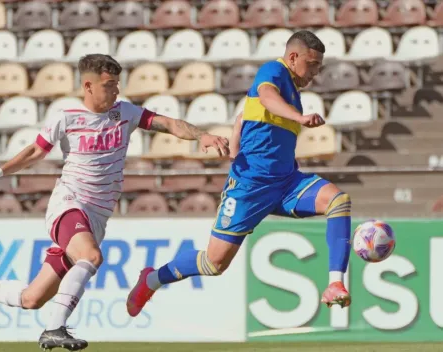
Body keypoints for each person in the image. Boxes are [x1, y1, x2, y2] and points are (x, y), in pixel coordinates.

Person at [0, 54, 229, 351]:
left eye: (117, 84)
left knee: (32, 298)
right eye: (109, 85)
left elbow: (169, 123)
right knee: (92, 257)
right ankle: (54, 328)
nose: (116, 91)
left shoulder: (126, 113)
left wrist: (202, 135)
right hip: (69, 204)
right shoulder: (67, 117)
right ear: (88, 86)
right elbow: (34, 152)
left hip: (96, 217)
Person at [126, 30, 353, 319]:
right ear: (293, 57)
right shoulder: (274, 71)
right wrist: (299, 118)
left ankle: (335, 283)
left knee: (338, 201)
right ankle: (151, 279)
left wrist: (236, 137)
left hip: (286, 182)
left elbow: (248, 115)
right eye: (312, 64)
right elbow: (266, 96)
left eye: (319, 66)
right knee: (213, 264)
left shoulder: (293, 92)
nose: (315, 73)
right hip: (250, 186)